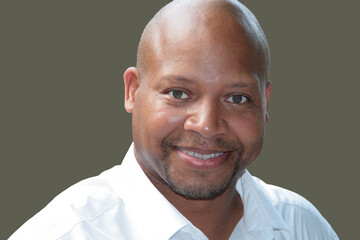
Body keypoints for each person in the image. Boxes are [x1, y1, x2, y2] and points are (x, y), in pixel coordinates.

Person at [9, 0, 339, 239]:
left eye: (237, 98)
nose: (207, 125)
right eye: (178, 93)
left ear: (264, 105)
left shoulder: (302, 226)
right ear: (132, 91)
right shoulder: (66, 232)